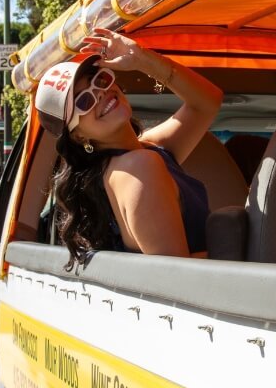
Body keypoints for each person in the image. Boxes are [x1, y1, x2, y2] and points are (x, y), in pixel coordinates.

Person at [35, 28, 222, 268]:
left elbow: (207, 103)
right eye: (84, 101)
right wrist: (238, 253)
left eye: (99, 80)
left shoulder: (147, 151)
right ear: (79, 137)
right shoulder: (137, 167)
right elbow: (176, 276)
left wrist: (142, 59)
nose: (101, 93)